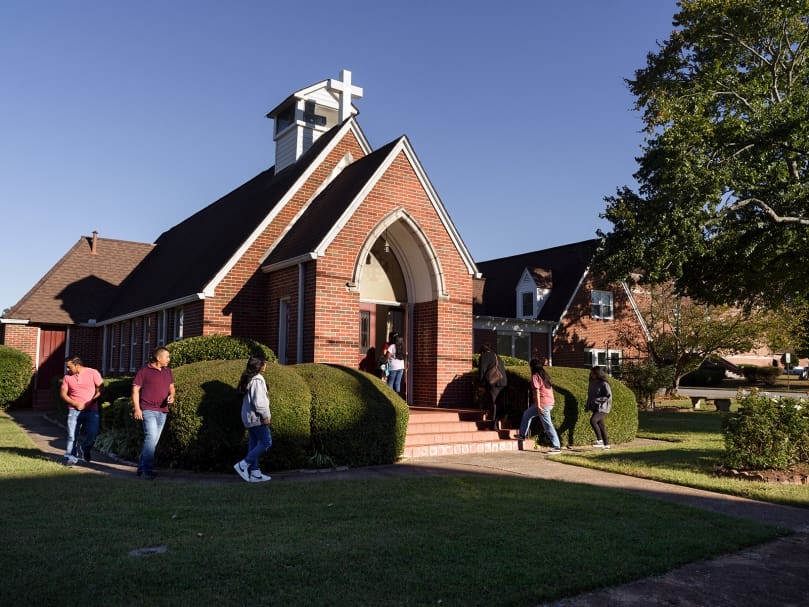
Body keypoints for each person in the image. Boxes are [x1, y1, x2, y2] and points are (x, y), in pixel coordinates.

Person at [132, 346, 175, 480]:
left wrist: (172, 396)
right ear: (158, 358)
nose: (169, 359)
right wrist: (137, 408)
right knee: (151, 438)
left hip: (163, 411)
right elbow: (135, 391)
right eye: (166, 357)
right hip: (148, 410)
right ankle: (147, 470)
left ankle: (141, 467)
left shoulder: (168, 371)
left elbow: (172, 388)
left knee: (153, 441)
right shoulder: (144, 371)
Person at [233, 355, 273, 483]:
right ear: (259, 366)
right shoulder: (257, 380)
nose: (266, 365)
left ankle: (255, 472)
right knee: (267, 442)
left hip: (249, 418)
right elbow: (259, 402)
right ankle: (243, 464)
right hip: (257, 418)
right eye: (264, 363)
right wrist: (266, 416)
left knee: (254, 443)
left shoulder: (251, 379)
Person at [60, 356, 103, 465]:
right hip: (74, 410)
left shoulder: (93, 373)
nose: (67, 370)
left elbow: (100, 390)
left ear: (77, 365)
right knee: (72, 436)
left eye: (69, 367)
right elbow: (63, 394)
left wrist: (90, 403)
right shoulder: (67, 377)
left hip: (92, 410)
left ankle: (85, 448)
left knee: (93, 434)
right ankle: (71, 457)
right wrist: (75, 404)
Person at [514, 358, 562, 453]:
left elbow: (537, 392)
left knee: (547, 425)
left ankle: (556, 446)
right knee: (527, 414)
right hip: (548, 402)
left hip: (543, 404)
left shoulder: (535, 376)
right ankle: (522, 435)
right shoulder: (545, 376)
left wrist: (539, 406)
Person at [478, 344, 507, 428]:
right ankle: (498, 421)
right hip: (503, 381)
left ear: (482, 351)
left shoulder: (483, 356)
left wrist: (481, 385)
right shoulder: (496, 356)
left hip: (494, 382)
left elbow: (481, 371)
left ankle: (494, 424)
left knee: (494, 402)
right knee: (499, 402)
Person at [587, 366, 613, 449]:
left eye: (593, 373)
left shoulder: (604, 384)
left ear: (598, 374)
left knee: (593, 420)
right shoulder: (592, 383)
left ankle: (600, 440)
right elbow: (590, 396)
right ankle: (606, 445)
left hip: (603, 407)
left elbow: (608, 396)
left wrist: (597, 400)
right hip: (595, 407)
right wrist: (588, 405)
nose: (591, 374)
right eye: (591, 373)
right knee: (601, 425)